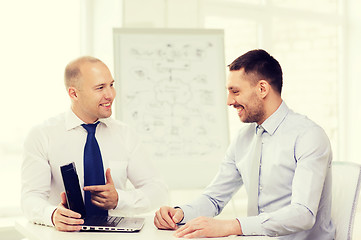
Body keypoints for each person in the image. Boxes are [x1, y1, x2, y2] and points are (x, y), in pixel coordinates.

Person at [154, 49, 335, 239]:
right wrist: (180, 213)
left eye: (235, 91)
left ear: (262, 89)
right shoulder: (244, 138)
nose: (229, 101)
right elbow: (214, 198)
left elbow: (303, 214)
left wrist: (232, 226)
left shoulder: (308, 136)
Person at [21, 56, 168, 232]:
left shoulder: (125, 134)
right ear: (74, 93)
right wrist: (52, 215)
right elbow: (30, 198)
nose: (110, 95)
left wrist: (119, 199)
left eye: (111, 85)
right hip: (66, 236)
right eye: (100, 88)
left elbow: (158, 190)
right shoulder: (42, 135)